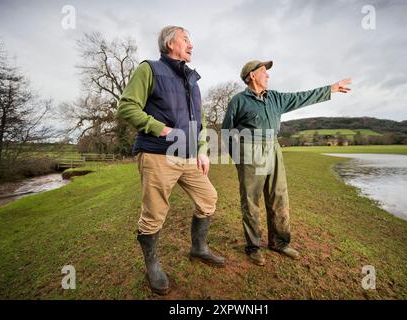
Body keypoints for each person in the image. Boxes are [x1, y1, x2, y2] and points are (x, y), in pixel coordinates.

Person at [117, 26, 226, 295]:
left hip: (189, 156)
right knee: (154, 214)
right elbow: (127, 106)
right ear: (170, 43)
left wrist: (202, 150)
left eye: (191, 39)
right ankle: (152, 266)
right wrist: (160, 128)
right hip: (156, 153)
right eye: (186, 39)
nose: (191, 44)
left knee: (208, 199)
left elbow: (199, 122)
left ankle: (198, 248)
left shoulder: (193, 81)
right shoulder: (150, 69)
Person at [221, 60, 351, 266]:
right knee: (250, 200)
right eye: (264, 72)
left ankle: (279, 243)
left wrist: (331, 89)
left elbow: (302, 97)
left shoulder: (276, 98)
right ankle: (254, 246)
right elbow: (227, 131)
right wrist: (238, 158)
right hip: (249, 150)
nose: (268, 75)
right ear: (252, 75)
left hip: (273, 148)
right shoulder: (239, 100)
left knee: (279, 196)